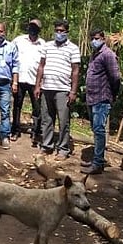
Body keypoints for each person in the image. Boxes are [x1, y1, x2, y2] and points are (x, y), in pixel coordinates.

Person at [35, 19, 81, 160]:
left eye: (62, 31)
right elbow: (41, 66)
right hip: (47, 88)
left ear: (67, 32)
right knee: (47, 119)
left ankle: (63, 149)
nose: (59, 33)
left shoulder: (73, 48)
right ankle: (46, 145)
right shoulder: (47, 46)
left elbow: (75, 71)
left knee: (63, 121)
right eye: (57, 30)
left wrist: (73, 91)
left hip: (63, 90)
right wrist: (38, 85)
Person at [82, 28, 121, 175]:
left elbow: (115, 77)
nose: (94, 41)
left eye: (97, 38)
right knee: (95, 129)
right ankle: (97, 159)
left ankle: (98, 163)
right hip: (92, 98)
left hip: (102, 98)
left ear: (103, 39)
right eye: (92, 38)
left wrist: (112, 94)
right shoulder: (95, 54)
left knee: (99, 129)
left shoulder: (108, 55)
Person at [11, 18, 45, 145]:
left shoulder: (43, 44)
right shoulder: (19, 40)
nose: (32, 29)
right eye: (31, 26)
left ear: (39, 30)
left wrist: (41, 83)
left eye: (35, 27)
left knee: (37, 108)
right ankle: (15, 130)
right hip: (19, 79)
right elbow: (10, 55)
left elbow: (44, 64)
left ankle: (36, 132)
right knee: (17, 105)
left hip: (35, 82)